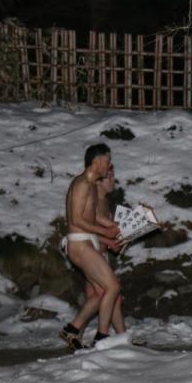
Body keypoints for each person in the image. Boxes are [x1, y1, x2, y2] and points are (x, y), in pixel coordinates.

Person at [58, 143, 123, 350]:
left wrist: (110, 227)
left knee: (101, 292)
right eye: (107, 161)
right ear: (97, 161)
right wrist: (106, 232)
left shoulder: (91, 185)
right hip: (79, 243)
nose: (109, 165)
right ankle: (102, 338)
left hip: (86, 242)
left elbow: (92, 215)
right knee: (112, 287)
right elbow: (76, 219)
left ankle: (72, 329)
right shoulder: (82, 184)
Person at [67, 164, 127, 337]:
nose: (113, 180)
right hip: (90, 251)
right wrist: (108, 239)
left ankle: (120, 336)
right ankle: (90, 334)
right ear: (99, 181)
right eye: (109, 177)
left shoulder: (104, 202)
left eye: (113, 176)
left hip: (98, 253)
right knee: (107, 293)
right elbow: (88, 229)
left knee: (106, 296)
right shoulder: (94, 201)